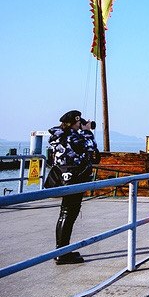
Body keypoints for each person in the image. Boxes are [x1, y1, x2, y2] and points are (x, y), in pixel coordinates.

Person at [46, 110, 100, 265]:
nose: (80, 125)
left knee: (66, 213)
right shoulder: (73, 137)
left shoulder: (60, 136)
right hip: (74, 178)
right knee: (68, 214)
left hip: (63, 177)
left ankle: (62, 250)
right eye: (78, 123)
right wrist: (88, 130)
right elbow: (90, 147)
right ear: (73, 123)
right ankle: (61, 253)